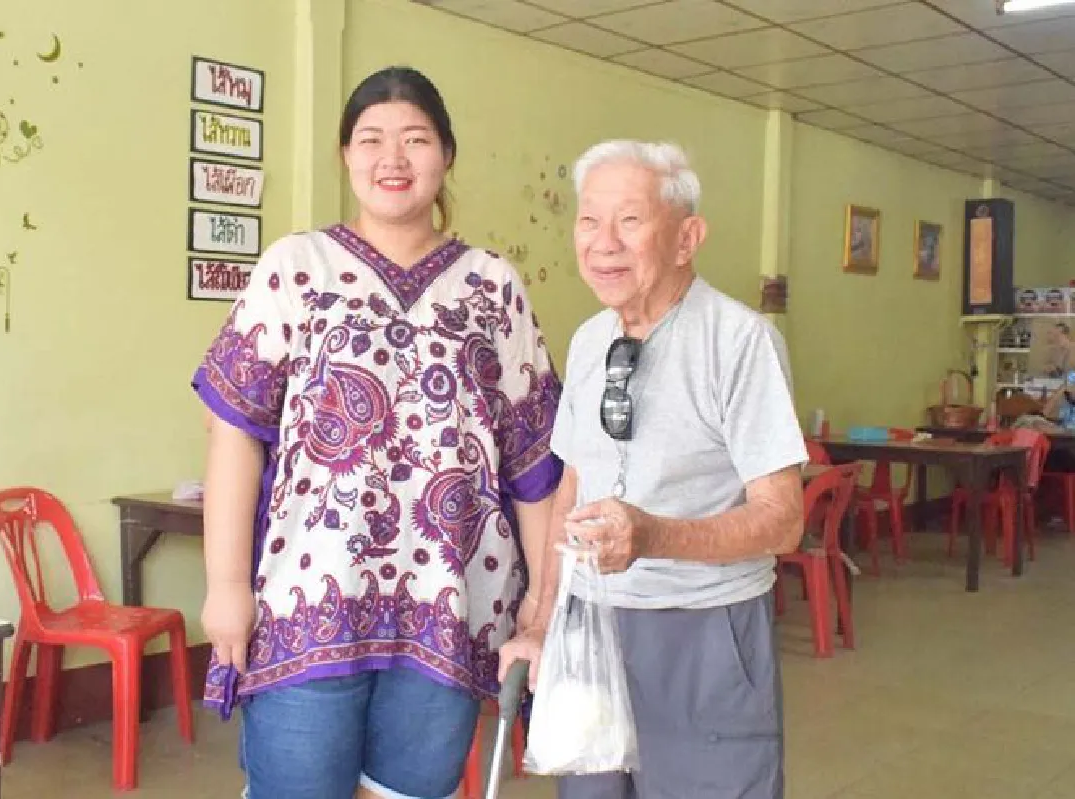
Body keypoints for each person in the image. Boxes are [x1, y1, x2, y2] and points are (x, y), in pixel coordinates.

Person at [192, 65, 563, 799]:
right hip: (304, 601)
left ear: (446, 155)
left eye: (415, 139)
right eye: (371, 139)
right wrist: (226, 585)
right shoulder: (295, 269)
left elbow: (533, 458)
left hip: (451, 605)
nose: (392, 159)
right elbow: (234, 431)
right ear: (345, 155)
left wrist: (542, 600)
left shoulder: (493, 285)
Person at [499, 140, 807, 799]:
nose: (602, 242)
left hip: (705, 631)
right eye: (588, 220)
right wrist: (543, 618)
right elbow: (572, 482)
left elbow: (784, 519)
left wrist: (654, 535)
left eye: (630, 220)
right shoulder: (588, 340)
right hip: (594, 626)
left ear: (686, 237)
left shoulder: (741, 340)